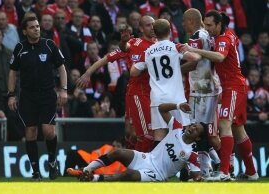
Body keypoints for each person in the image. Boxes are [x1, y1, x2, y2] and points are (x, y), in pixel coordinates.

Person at [181, 10, 258, 181]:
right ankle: (252, 172)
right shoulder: (229, 34)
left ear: (219, 24)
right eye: (205, 25)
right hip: (233, 86)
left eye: (210, 25)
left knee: (224, 125)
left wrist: (199, 51)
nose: (207, 29)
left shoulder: (223, 39)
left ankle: (224, 171)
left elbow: (220, 57)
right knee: (239, 131)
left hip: (233, 87)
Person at [67, 102, 206, 182]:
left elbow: (196, 177)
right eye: (194, 125)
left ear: (198, 138)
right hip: (148, 158)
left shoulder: (191, 154)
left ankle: (93, 179)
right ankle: (85, 170)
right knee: (118, 153)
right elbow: (162, 109)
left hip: (157, 174)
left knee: (129, 174)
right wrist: (177, 105)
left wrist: (199, 178)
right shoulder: (177, 128)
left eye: (196, 130)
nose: (192, 128)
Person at [77, 15, 156, 152]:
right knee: (143, 133)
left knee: (135, 134)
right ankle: (143, 167)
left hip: (156, 94)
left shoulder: (160, 44)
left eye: (153, 24)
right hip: (137, 94)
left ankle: (133, 163)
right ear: (141, 28)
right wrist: (87, 73)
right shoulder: (133, 43)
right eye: (148, 25)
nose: (152, 28)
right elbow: (106, 58)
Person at [7, 16, 68, 180]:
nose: (37, 29)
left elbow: (61, 67)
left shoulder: (49, 44)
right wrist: (11, 94)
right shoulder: (20, 48)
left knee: (48, 131)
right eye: (32, 27)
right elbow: (12, 72)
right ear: (25, 31)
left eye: (38, 26)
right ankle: (35, 172)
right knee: (30, 133)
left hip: (47, 94)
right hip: (27, 96)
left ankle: (52, 161)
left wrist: (63, 90)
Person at [130, 19, 201, 147]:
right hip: (176, 98)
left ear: (154, 33)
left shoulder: (148, 51)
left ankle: (160, 166)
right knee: (183, 133)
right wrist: (177, 69)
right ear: (169, 31)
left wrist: (149, 67)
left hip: (157, 98)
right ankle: (187, 165)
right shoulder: (175, 47)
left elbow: (133, 72)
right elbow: (195, 58)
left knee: (159, 136)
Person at [181, 8, 221, 178]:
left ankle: (205, 171)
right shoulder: (208, 35)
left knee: (197, 132)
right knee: (205, 130)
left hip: (201, 90)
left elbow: (194, 62)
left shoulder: (196, 37)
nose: (183, 25)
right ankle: (217, 163)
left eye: (184, 21)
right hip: (209, 87)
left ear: (190, 21)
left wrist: (175, 72)